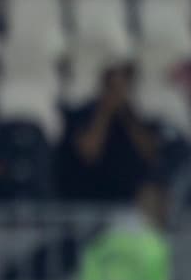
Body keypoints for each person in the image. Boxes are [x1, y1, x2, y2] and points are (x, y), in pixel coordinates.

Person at [60, 65, 160, 204]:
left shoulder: (140, 115)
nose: (118, 93)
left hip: (128, 201)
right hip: (90, 197)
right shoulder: (86, 113)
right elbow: (88, 152)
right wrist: (105, 112)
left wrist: (127, 116)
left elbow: (150, 153)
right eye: (113, 87)